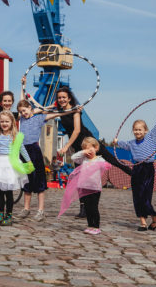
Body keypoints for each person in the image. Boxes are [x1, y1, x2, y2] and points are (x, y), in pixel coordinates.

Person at [56, 86, 132, 218]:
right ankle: (83, 209)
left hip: (89, 143)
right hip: (78, 148)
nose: (61, 99)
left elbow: (77, 130)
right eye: (59, 97)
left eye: (64, 97)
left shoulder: (76, 110)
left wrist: (66, 146)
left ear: (69, 98)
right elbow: (44, 108)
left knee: (112, 159)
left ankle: (134, 174)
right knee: (79, 178)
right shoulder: (60, 110)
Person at [113, 101, 156, 231]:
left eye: (140, 129)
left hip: (148, 169)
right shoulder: (132, 143)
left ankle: (155, 216)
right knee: (137, 196)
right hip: (137, 169)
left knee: (145, 197)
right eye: (135, 129)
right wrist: (116, 142)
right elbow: (124, 144)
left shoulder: (152, 137)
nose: (137, 131)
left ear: (145, 130)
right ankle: (143, 222)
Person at [16, 99, 76, 221]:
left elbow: (57, 114)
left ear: (30, 108)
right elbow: (22, 100)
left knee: (39, 181)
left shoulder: (39, 118)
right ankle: (26, 209)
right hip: (23, 151)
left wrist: (72, 110)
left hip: (34, 150)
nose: (23, 113)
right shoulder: (21, 119)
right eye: (21, 111)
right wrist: (24, 84)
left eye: (24, 110)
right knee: (26, 181)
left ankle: (40, 210)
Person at [0, 110, 32, 226]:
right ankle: (0, 214)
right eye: (2, 122)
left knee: (8, 192)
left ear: (12, 122)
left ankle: (9, 215)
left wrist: (29, 161)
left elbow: (22, 150)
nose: (4, 124)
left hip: (10, 164)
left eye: (7, 121)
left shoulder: (15, 137)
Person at [58, 137, 110, 235]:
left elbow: (105, 165)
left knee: (94, 207)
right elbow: (73, 157)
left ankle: (96, 227)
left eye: (91, 149)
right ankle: (90, 225)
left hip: (95, 188)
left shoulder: (99, 159)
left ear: (96, 148)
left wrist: (105, 165)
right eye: (86, 149)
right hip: (83, 187)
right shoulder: (83, 159)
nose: (89, 151)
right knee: (87, 208)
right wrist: (83, 152)